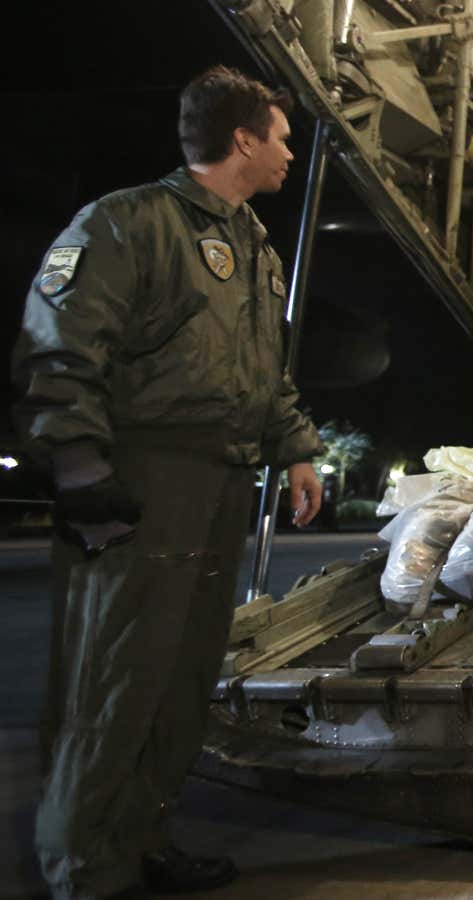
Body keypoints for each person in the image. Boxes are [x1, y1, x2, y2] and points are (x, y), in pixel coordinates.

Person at [11, 65, 325, 898]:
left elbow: (263, 370)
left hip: (220, 484)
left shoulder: (252, 242)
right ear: (245, 138)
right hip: (142, 480)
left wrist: (294, 445)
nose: (291, 152)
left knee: (180, 685)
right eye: (282, 137)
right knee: (111, 684)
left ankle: (143, 838)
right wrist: (80, 470)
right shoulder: (125, 224)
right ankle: (83, 868)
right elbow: (58, 348)